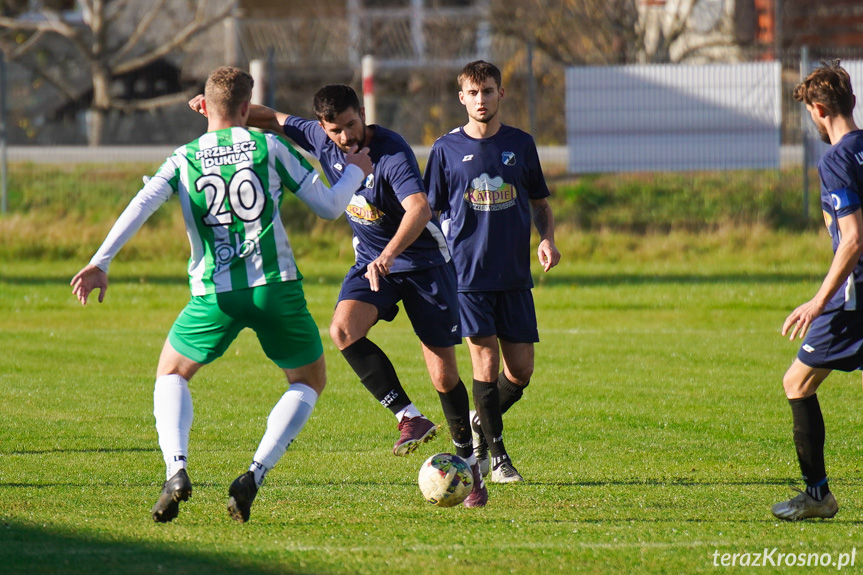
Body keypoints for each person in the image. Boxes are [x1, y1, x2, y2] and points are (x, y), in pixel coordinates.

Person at [71, 66, 373, 523]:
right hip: (275, 287)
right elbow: (330, 206)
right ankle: (254, 473)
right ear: (249, 106)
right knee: (308, 381)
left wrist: (101, 260)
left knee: (172, 372)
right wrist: (354, 173)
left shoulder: (184, 156)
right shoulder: (270, 146)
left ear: (205, 106)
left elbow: (142, 203)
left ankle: (176, 470)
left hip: (215, 292)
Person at [192, 84, 488, 506]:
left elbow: (420, 210)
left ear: (362, 112)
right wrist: (214, 110)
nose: (347, 137)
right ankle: (410, 418)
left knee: (443, 376)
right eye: (336, 131)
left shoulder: (391, 153)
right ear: (323, 127)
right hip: (371, 263)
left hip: (422, 266)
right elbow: (271, 118)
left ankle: (470, 466)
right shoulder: (319, 138)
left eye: (352, 125)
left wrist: (387, 255)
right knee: (343, 330)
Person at [423, 60, 560, 484]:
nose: (481, 100)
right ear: (461, 97)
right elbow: (428, 211)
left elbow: (539, 203)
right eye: (473, 93)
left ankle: (481, 419)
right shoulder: (445, 150)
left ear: (501, 94)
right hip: (466, 277)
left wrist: (547, 238)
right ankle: (496, 459)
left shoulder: (521, 144)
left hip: (514, 275)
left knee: (520, 371)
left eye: (488, 91)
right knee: (484, 362)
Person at [771, 59, 863, 521]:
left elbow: (852, 239)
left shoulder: (837, 159)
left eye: (810, 114)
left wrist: (816, 302)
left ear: (821, 109)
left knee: (797, 382)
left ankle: (817, 495)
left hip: (854, 297)